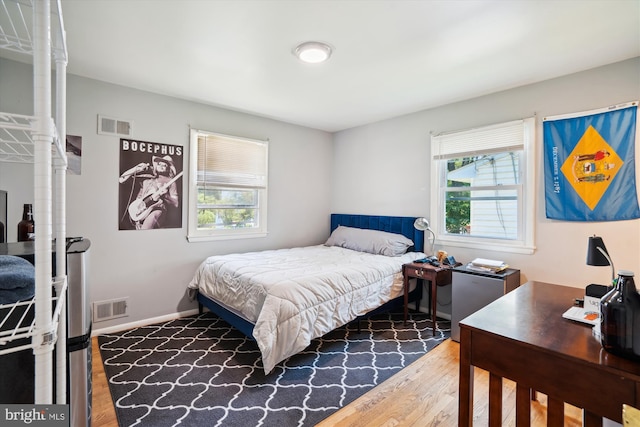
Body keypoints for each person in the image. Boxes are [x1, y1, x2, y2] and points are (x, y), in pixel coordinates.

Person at [125, 155, 181, 229]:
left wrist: (165, 196)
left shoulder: (170, 182)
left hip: (158, 209)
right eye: (159, 164)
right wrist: (138, 208)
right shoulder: (147, 180)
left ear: (168, 169)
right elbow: (139, 197)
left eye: (164, 165)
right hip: (142, 211)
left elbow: (176, 203)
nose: (161, 166)